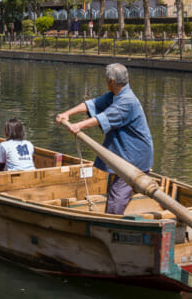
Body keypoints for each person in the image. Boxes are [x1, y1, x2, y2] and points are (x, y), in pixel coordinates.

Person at [55, 63, 153, 215]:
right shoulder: (114, 95)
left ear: (111, 82)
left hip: (135, 158)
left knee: (117, 193)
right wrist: (67, 114)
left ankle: (111, 226)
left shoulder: (126, 101)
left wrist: (78, 126)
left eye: (106, 80)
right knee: (116, 189)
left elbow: (102, 118)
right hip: (125, 154)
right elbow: (92, 104)